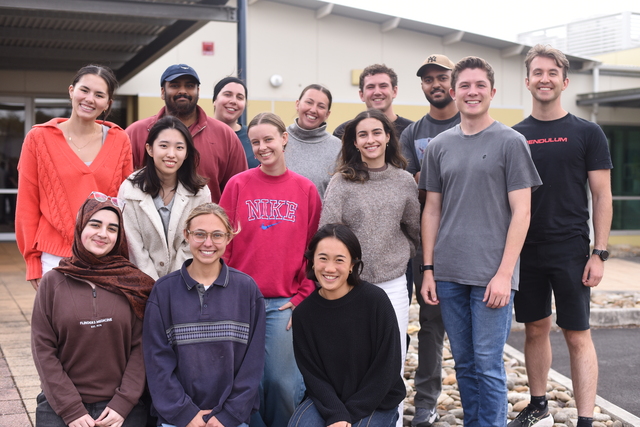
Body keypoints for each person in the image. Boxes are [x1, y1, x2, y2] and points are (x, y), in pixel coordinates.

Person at [420, 57, 541, 427]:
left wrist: (505, 274)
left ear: (492, 92)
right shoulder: (439, 145)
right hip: (449, 273)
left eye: (479, 85)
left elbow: (522, 212)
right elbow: (432, 211)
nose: (472, 92)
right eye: (465, 85)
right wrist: (428, 269)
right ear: (454, 92)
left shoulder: (511, 142)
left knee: (488, 365)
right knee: (464, 363)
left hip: (493, 274)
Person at [508, 45, 613, 427]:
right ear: (527, 81)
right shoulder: (514, 136)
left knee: (577, 333)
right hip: (526, 250)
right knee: (535, 329)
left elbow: (602, 195)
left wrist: (599, 252)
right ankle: (538, 405)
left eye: (552, 73)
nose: (545, 79)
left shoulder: (587, 132)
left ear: (564, 81)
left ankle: (585, 418)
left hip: (571, 249)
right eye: (538, 72)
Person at [219, 112, 321, 427]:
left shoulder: (306, 190)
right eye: (255, 142)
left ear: (284, 139)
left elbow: (313, 250)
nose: (262, 147)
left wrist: (304, 295)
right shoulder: (238, 184)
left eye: (268, 139)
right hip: (241, 300)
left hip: (284, 302)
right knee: (247, 384)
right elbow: (223, 243)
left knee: (282, 383)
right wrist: (224, 291)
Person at [320, 108, 420, 426]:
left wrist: (399, 254)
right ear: (354, 142)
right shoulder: (342, 181)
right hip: (351, 286)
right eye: (362, 134)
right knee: (353, 358)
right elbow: (328, 231)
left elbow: (415, 229)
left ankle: (392, 420)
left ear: (388, 137)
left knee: (392, 357)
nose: (370, 139)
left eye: (377, 132)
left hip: (392, 284)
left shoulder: (403, 181)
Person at [31, 194, 155, 427]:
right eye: (95, 225)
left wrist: (123, 403)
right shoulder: (52, 283)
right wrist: (71, 410)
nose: (103, 234)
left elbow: (142, 348)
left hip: (121, 408)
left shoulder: (133, 283)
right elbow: (43, 349)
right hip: (61, 406)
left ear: (119, 236)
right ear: (80, 228)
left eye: (112, 228)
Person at [143, 203, 266, 427]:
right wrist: (186, 414)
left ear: (228, 238)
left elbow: (253, 364)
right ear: (186, 235)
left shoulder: (247, 290)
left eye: (217, 235)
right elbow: (157, 362)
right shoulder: (163, 291)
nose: (208, 243)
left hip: (231, 419)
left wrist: (227, 416)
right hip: (176, 418)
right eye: (200, 234)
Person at [16, 64, 133, 290]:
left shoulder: (120, 140)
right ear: (71, 91)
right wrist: (32, 262)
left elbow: (125, 205)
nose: (89, 99)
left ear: (108, 103)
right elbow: (26, 206)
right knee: (57, 314)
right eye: (84, 90)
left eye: (99, 95)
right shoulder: (38, 138)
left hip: (103, 257)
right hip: (55, 258)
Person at [289, 223, 406, 427]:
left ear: (352, 264)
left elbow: (388, 367)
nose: (329, 268)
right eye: (323, 258)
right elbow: (313, 375)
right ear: (312, 261)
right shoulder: (303, 315)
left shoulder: (375, 301)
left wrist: (347, 416)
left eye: (339, 260)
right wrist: (336, 413)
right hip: (328, 400)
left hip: (376, 400)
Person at [400, 54, 460, 427]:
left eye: (442, 77)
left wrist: (430, 176)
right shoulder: (412, 133)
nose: (435, 84)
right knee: (429, 324)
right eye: (428, 79)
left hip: (465, 239)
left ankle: (478, 398)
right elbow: (411, 185)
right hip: (422, 241)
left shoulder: (471, 122)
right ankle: (425, 402)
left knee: (468, 326)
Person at [126, 64, 247, 202]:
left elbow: (240, 191)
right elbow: (123, 187)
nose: (183, 91)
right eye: (175, 85)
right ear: (162, 92)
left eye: (189, 86)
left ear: (198, 91)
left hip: (207, 215)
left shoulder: (225, 135)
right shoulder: (136, 133)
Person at [118, 116, 210, 280]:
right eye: (163, 146)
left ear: (186, 152)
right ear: (150, 149)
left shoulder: (200, 193)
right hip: (140, 283)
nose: (171, 154)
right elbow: (134, 247)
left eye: (179, 147)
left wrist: (173, 284)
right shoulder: (130, 190)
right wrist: (153, 286)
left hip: (186, 282)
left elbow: (194, 243)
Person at [285, 84, 342, 198]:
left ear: (327, 114)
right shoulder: (279, 139)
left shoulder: (338, 147)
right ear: (297, 104)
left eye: (321, 106)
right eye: (309, 102)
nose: (313, 110)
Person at [332, 64, 413, 140]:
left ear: (394, 91)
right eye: (370, 87)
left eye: (383, 86)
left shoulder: (412, 131)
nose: (377, 92)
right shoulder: (343, 132)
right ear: (361, 95)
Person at [213, 77, 259, 168]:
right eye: (227, 95)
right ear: (215, 100)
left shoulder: (253, 136)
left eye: (240, 97)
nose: (233, 101)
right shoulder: (198, 132)